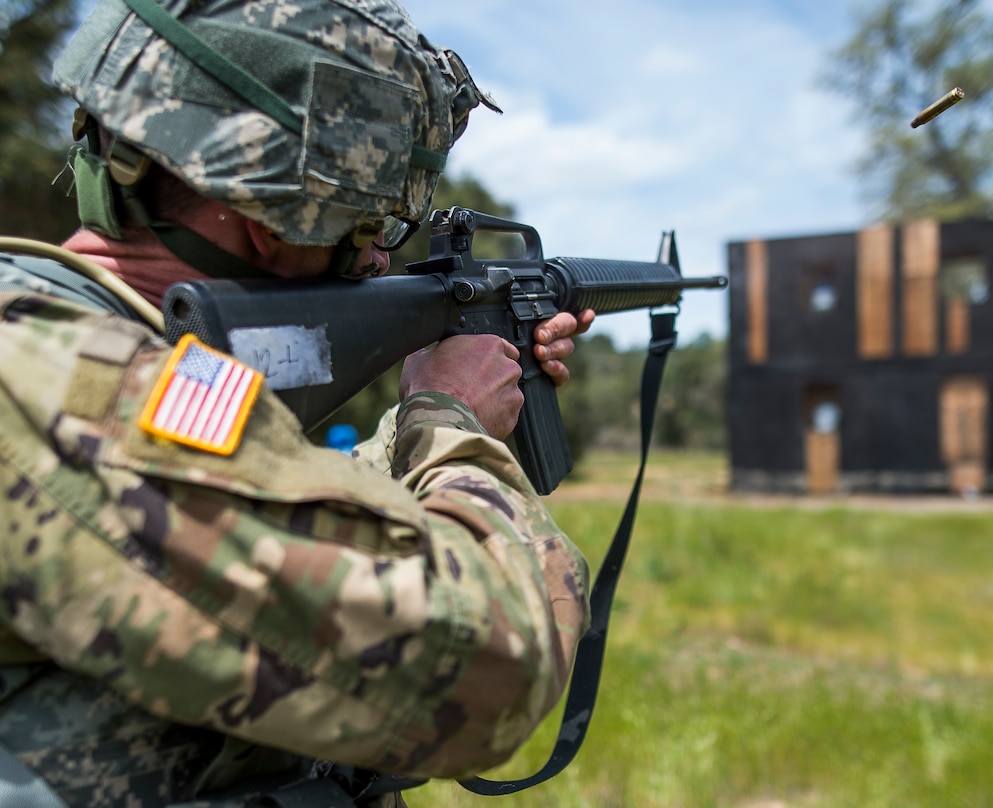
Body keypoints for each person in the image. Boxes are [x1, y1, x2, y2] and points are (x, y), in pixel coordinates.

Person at [0, 0, 595, 805]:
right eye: (372, 222)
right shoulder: (77, 390)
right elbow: (489, 670)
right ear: (275, 224)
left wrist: (422, 413)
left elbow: (270, 503)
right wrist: (449, 427)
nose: (382, 255)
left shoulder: (88, 345)